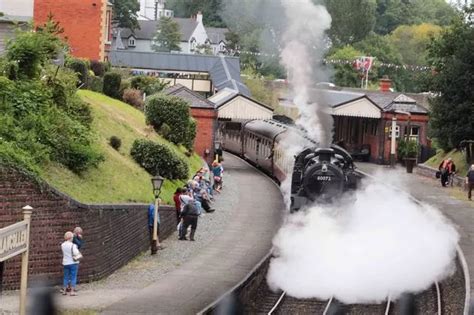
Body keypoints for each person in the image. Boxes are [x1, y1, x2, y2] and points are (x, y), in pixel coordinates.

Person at [61, 231, 81, 296]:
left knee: (66, 277)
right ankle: (72, 291)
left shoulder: (62, 245)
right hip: (73, 263)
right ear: (70, 238)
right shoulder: (73, 245)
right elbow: (76, 253)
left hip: (65, 263)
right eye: (72, 237)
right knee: (73, 277)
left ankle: (64, 291)